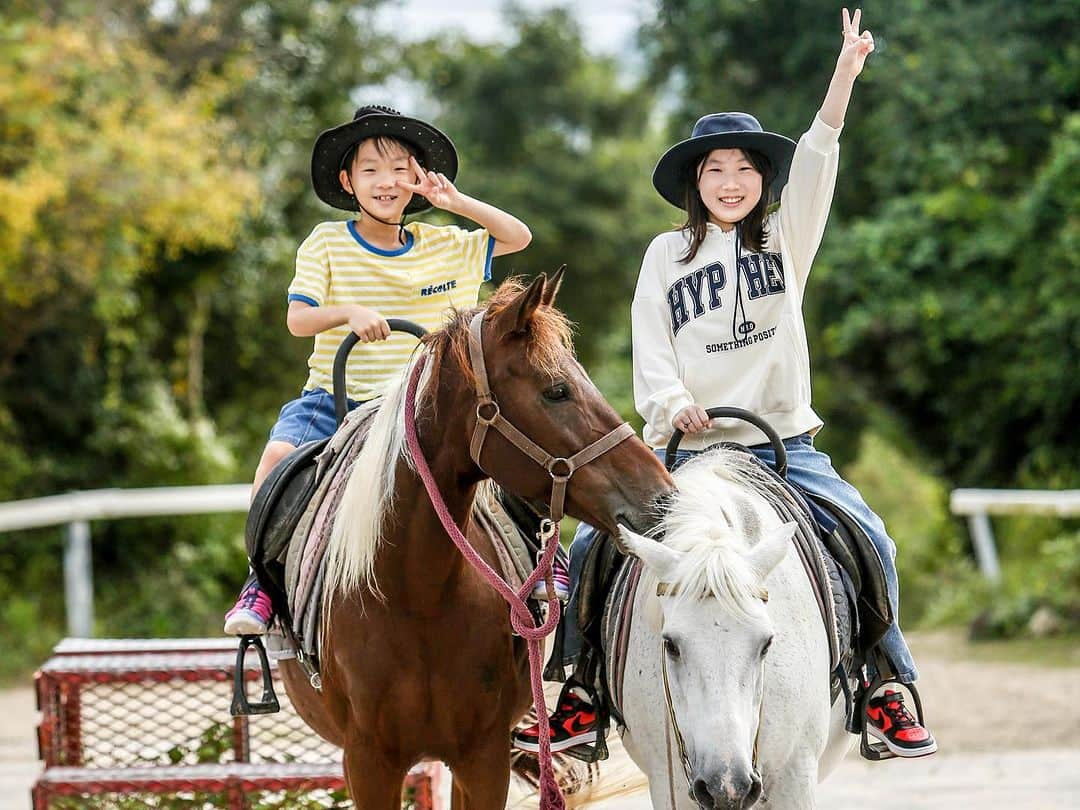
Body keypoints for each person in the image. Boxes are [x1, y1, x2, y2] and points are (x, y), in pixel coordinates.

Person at [514, 8, 936, 760]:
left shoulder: (784, 236)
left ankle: (885, 683)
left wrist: (844, 74)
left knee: (871, 534)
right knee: (590, 549)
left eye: (745, 168)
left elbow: (819, 154)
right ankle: (579, 688)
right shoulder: (664, 256)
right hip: (687, 452)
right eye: (716, 169)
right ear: (694, 182)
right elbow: (652, 353)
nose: (731, 181)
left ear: (762, 180)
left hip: (782, 448)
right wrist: (673, 403)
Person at [224, 104, 548, 636]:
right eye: (371, 170)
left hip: (426, 406)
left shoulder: (444, 243)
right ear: (348, 181)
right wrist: (349, 313)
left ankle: (534, 571)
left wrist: (455, 201)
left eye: (401, 169)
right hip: (340, 396)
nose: (387, 182)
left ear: (418, 179)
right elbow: (298, 319)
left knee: (519, 442)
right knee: (277, 461)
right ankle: (261, 581)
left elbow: (518, 237)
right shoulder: (326, 242)